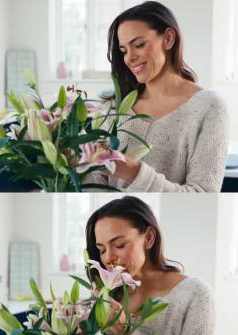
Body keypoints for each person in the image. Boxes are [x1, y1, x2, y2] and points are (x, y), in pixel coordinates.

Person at [94, 1, 228, 192]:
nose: (129, 58)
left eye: (139, 44)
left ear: (168, 39)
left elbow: (203, 193)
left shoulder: (210, 107)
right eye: (123, 50)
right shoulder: (113, 106)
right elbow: (94, 178)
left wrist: (134, 172)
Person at [85, 196, 215, 335]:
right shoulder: (110, 293)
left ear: (149, 238)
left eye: (119, 245)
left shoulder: (196, 296)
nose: (109, 259)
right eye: (102, 249)